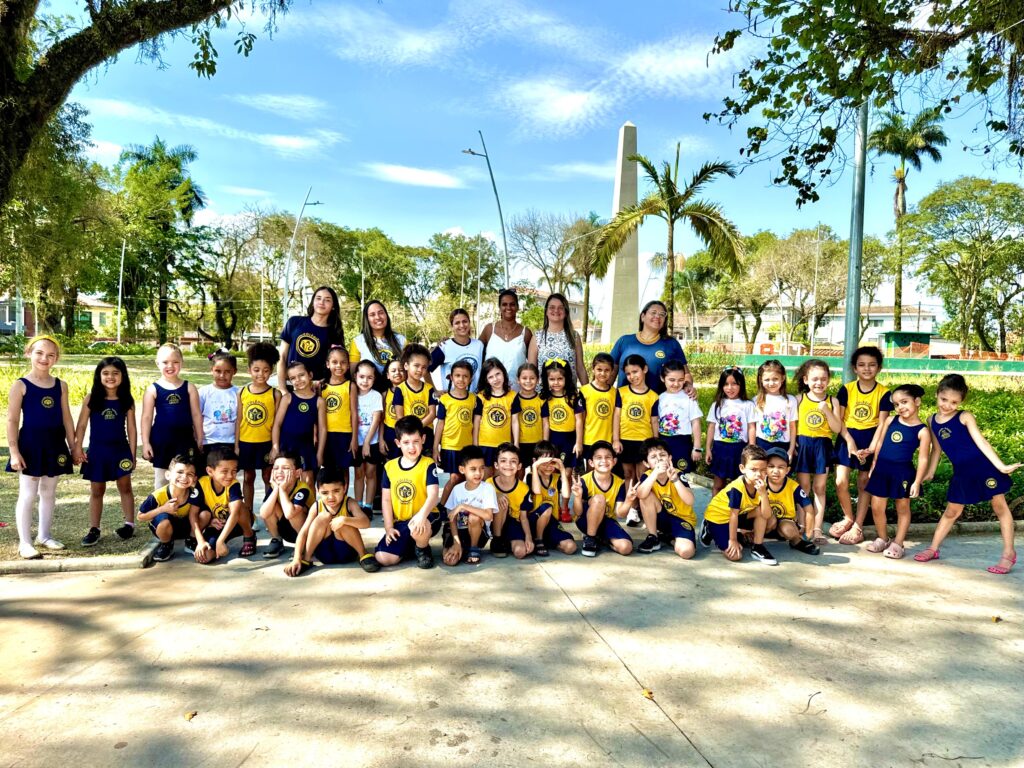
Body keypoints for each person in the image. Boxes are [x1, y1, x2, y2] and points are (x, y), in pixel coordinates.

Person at [916, 374, 1020, 574]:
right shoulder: (932, 420)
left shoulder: (965, 417)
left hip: (984, 468)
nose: (947, 405)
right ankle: (933, 548)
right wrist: (930, 472)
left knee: (1000, 507)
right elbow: (936, 449)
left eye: (954, 402)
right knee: (952, 511)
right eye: (944, 399)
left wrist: (1000, 466)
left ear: (961, 402)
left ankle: (1009, 553)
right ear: (937, 394)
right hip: (962, 473)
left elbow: (982, 442)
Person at [6, 335, 78, 558]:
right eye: (39, 353)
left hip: (54, 445)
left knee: (48, 492)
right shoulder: (20, 385)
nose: (44, 358)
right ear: (29, 353)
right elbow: (12, 420)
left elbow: (67, 418)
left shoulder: (60, 386)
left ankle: (44, 535)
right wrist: (14, 452)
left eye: (50, 355)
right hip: (30, 446)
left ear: (56, 358)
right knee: (28, 494)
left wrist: (74, 446)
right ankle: (25, 543)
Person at [830, 347, 891, 546]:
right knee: (841, 481)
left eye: (872, 365)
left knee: (864, 481)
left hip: (870, 438)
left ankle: (858, 526)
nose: (867, 368)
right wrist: (849, 440)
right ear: (855, 368)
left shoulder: (884, 393)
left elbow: (882, 424)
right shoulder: (846, 389)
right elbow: (839, 420)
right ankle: (848, 517)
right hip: (847, 436)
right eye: (862, 365)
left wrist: (871, 448)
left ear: (879, 368)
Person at [862, 384, 931, 560]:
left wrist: (917, 481)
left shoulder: (922, 431)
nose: (900, 407)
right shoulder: (890, 420)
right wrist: (874, 465)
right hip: (882, 470)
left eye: (904, 402)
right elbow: (879, 443)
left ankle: (898, 542)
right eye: (896, 404)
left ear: (917, 401)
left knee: (903, 508)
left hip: (903, 473)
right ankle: (883, 538)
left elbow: (923, 459)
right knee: (877, 507)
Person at [75, 356, 137, 547]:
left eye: (115, 373)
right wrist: (77, 447)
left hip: (120, 451)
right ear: (99, 376)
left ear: (123, 376)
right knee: (97, 490)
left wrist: (132, 454)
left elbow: (132, 429)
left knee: (125, 487)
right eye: (106, 373)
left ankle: (129, 524)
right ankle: (94, 529)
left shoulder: (127, 400)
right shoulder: (91, 398)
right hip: (97, 452)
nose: (111, 377)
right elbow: (82, 425)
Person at [793, 359, 852, 545]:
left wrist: (826, 409)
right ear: (805, 380)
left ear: (828, 380)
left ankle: (817, 529)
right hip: (803, 444)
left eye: (823, 379)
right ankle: (802, 526)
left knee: (819, 488)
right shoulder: (799, 399)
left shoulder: (832, 401)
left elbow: (836, 428)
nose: (819, 383)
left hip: (822, 447)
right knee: (803, 488)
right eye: (815, 379)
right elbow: (792, 425)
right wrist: (793, 444)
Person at [284, 465, 380, 576]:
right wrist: (296, 558)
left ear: (344, 488)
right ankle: (306, 559)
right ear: (318, 491)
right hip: (324, 554)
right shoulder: (316, 506)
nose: (331, 497)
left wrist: (345, 520)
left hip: (347, 552)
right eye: (325, 493)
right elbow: (303, 532)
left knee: (342, 522)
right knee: (323, 517)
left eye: (336, 491)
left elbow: (366, 523)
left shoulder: (350, 503)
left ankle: (363, 555)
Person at [374, 416, 442, 569]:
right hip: (402, 521)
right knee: (383, 558)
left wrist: (421, 515)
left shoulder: (428, 464)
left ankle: (422, 549)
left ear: (423, 439)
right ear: (398, 443)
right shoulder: (389, 467)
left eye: (416, 441)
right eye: (406, 442)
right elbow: (386, 500)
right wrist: (389, 527)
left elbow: (433, 496)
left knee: (419, 526)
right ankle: (410, 546)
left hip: (426, 517)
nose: (412, 447)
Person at [699, 444, 776, 565]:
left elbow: (766, 515)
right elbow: (733, 515)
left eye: (763, 470)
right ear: (742, 468)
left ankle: (758, 546)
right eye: (753, 470)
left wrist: (763, 495)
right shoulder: (737, 488)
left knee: (770, 520)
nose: (758, 474)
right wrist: (733, 540)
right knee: (735, 555)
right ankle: (709, 527)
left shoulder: (762, 485)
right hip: (718, 519)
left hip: (738, 515)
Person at [141, 343, 203, 489]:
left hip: (185, 440)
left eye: (175, 362)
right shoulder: (152, 389)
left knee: (186, 477)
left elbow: (196, 414)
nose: (170, 366)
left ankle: (185, 503)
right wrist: (146, 443)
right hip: (162, 442)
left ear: (181, 363)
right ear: (157, 363)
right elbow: (146, 417)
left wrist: (200, 438)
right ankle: (162, 504)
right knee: (162, 480)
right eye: (165, 362)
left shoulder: (189, 387)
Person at [613, 354, 660, 523]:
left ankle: (642, 508)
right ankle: (631, 507)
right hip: (625, 440)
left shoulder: (653, 396)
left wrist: (655, 444)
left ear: (644, 369)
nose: (632, 376)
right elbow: (616, 416)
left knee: (642, 475)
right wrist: (616, 439)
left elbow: (654, 421)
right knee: (628, 474)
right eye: (628, 373)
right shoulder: (621, 392)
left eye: (635, 371)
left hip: (644, 442)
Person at [236, 342, 280, 515]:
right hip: (246, 442)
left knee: (268, 477)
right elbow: (239, 420)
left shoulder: (275, 394)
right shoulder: (242, 392)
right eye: (256, 370)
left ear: (271, 371)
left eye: (265, 370)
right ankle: (248, 513)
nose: (261, 374)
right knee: (248, 477)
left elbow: (277, 424)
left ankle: (269, 513)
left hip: (266, 443)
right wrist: (237, 445)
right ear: (249, 370)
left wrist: (275, 447)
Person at [609, 300, 691, 394]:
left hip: (657, 401)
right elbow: (610, 372)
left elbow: (686, 374)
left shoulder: (671, 344)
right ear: (643, 316)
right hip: (624, 401)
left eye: (662, 314)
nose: (657, 316)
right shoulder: (624, 341)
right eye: (653, 312)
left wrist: (688, 385)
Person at [571, 441, 637, 557]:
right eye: (599, 458)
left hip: (606, 521)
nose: (604, 461)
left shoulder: (619, 483)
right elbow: (578, 512)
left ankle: (601, 538)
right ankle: (590, 538)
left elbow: (620, 514)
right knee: (599, 499)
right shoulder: (584, 480)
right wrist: (577, 496)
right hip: (585, 521)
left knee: (626, 547)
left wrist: (629, 500)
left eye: (608, 457)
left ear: (614, 461)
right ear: (591, 462)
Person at [136, 454, 205, 563]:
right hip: (166, 528)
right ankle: (166, 545)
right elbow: (140, 516)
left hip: (186, 528)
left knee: (205, 514)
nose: (184, 477)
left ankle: (191, 541)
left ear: (195, 479)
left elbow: (196, 515)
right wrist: (163, 509)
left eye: (190, 474)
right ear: (168, 475)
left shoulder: (195, 493)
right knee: (164, 521)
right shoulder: (158, 495)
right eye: (180, 472)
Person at [192, 447, 256, 563]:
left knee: (240, 506)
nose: (230, 476)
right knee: (205, 557)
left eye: (234, 471)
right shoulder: (202, 483)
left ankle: (249, 536)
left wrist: (220, 541)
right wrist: (201, 541)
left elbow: (235, 514)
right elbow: (193, 514)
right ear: (210, 471)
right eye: (224, 471)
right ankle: (196, 541)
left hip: (237, 524)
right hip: (217, 525)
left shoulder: (233, 485)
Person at [636, 438, 697, 559]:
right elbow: (641, 494)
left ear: (669, 458)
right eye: (653, 457)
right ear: (646, 463)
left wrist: (675, 480)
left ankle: (669, 539)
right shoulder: (648, 476)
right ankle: (653, 536)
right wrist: (655, 474)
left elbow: (690, 500)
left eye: (662, 455)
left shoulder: (678, 474)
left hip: (682, 519)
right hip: (662, 518)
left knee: (686, 552)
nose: (659, 459)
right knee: (646, 495)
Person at [278, 286, 345, 390]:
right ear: (313, 302)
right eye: (318, 298)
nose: (321, 302)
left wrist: (322, 383)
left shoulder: (335, 332)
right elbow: (281, 357)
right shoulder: (294, 322)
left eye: (327, 300)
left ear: (333, 306)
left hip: (316, 389)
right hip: (290, 386)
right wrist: (283, 389)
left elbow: (336, 364)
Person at [272, 361, 326, 486]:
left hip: (305, 447)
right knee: (285, 481)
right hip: (286, 445)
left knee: (308, 481)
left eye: (301, 375)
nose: (298, 380)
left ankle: (308, 500)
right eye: (293, 378)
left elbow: (322, 429)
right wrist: (275, 447)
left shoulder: (319, 401)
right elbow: (277, 424)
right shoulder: (288, 398)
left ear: (310, 375)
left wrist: (320, 453)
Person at [442, 446, 498, 566]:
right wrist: (456, 542)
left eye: (482, 468)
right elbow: (452, 518)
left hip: (479, 533)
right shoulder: (457, 489)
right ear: (462, 469)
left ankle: (473, 548)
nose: (478, 473)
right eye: (473, 469)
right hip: (458, 532)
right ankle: (459, 546)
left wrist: (463, 506)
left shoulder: (487, 488)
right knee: (449, 561)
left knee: (474, 517)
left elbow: (488, 516)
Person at [761, 447, 820, 556]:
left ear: (787, 470)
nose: (775, 471)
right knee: (770, 520)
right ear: (765, 468)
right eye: (771, 466)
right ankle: (754, 538)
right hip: (764, 522)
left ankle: (797, 542)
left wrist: (807, 534)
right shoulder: (760, 484)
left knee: (789, 530)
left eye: (781, 467)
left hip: (785, 522)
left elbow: (809, 510)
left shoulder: (793, 487)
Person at [434, 360, 477, 509]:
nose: (461, 379)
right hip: (450, 446)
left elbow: (475, 424)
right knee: (454, 477)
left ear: (470, 378)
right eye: (457, 375)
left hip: (467, 447)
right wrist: (435, 447)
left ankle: (459, 508)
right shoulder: (445, 399)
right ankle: (441, 506)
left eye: (465, 376)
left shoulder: (473, 399)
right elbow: (440, 424)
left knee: (465, 478)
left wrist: (475, 446)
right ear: (451, 377)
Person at [705, 366, 754, 494]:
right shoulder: (717, 404)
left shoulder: (748, 405)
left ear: (741, 384)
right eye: (726, 384)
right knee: (718, 484)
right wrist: (708, 449)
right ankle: (714, 506)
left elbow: (751, 427)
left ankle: (736, 507)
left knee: (738, 485)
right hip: (720, 449)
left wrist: (751, 449)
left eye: (734, 384)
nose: (730, 388)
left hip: (739, 449)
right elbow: (711, 427)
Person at [259, 451, 312, 559]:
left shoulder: (303, 489)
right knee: (270, 506)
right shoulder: (274, 487)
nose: (279, 471)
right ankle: (276, 539)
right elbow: (263, 514)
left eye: (285, 468)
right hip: (285, 529)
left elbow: (289, 514)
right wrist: (276, 490)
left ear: (297, 473)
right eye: (276, 468)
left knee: (295, 511)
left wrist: (282, 491)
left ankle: (303, 544)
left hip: (305, 532)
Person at [473, 358, 521, 476]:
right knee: (486, 478)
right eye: (490, 377)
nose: (495, 379)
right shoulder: (481, 397)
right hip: (485, 444)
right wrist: (475, 444)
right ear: (486, 379)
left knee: (500, 477)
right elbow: (477, 421)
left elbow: (515, 421)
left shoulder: (513, 396)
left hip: (504, 446)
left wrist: (516, 442)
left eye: (498, 374)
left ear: (503, 373)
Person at [527, 442, 576, 556]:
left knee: (571, 547)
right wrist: (534, 466)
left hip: (551, 521)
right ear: (535, 461)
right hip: (534, 520)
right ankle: (538, 539)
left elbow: (566, 494)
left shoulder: (556, 478)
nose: (548, 466)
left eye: (551, 463)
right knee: (547, 507)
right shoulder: (531, 476)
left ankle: (547, 541)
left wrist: (562, 470)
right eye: (544, 463)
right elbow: (537, 490)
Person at [528, 293, 588, 384]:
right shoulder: (537, 337)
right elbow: (531, 371)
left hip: (568, 391)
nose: (556, 310)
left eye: (561, 308)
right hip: (543, 391)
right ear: (546, 311)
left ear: (566, 312)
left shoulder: (574, 336)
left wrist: (587, 390)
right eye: (552, 307)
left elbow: (580, 368)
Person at [489, 442, 536, 559]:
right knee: (501, 500)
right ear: (496, 465)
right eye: (503, 461)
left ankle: (507, 541)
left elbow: (523, 517)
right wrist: (496, 494)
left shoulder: (524, 488)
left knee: (521, 552)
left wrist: (528, 537)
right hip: (493, 522)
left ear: (519, 466)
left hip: (514, 523)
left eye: (513, 461)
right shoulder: (488, 484)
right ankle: (497, 540)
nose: (508, 465)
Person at [480, 289, 532, 391]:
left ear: (517, 307)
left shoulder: (526, 333)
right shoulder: (489, 329)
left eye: (512, 304)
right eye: (504, 304)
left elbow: (532, 363)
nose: (508, 307)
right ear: (499, 307)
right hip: (491, 392)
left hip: (517, 391)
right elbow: (474, 351)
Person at [657, 359, 703, 474]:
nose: (676, 384)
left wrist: (697, 447)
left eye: (681, 380)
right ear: (662, 378)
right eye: (672, 380)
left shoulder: (689, 397)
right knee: (663, 473)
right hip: (663, 442)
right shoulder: (659, 398)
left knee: (682, 475)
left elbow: (696, 422)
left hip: (682, 443)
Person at [749, 359, 798, 460]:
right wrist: (753, 448)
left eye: (775, 379)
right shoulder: (756, 400)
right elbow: (752, 427)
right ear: (761, 380)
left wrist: (791, 448)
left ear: (783, 378)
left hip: (783, 445)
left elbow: (792, 426)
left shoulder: (790, 400)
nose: (771, 383)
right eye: (767, 380)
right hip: (762, 444)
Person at [353, 360, 384, 516]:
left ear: (374, 379)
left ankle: (368, 506)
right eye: (362, 377)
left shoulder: (375, 396)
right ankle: (358, 506)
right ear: (355, 376)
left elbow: (376, 420)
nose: (365, 381)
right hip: (355, 442)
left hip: (372, 441)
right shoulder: (351, 394)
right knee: (359, 474)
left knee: (371, 473)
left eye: (369, 377)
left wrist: (366, 443)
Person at [541, 358, 583, 470]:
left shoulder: (573, 397)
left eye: (560, 379)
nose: (556, 382)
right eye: (552, 379)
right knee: (553, 470)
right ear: (546, 380)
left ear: (566, 378)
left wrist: (579, 442)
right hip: (553, 439)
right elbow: (546, 424)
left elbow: (579, 420)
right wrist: (546, 444)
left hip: (570, 439)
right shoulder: (545, 398)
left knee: (567, 471)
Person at [348, 300, 407, 380]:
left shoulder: (401, 340)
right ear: (367, 319)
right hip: (369, 387)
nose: (378, 317)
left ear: (386, 315)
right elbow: (353, 375)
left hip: (396, 387)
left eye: (381, 313)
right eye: (372, 315)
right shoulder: (358, 342)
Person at [321, 345, 357, 476]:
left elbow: (354, 413)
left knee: (343, 470)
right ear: (328, 364)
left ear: (348, 365)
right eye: (334, 362)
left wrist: (354, 438)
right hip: (326, 434)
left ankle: (343, 491)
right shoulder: (322, 386)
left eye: (343, 362)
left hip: (345, 434)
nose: (339, 366)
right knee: (328, 470)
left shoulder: (350, 386)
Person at [392, 343, 436, 447]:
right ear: (406, 366)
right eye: (416, 365)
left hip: (426, 434)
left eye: (424, 367)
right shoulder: (400, 389)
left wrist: (418, 427)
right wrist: (411, 431)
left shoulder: (429, 388)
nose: (420, 370)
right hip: (407, 436)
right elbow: (400, 417)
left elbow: (432, 414)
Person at [431, 308, 485, 392]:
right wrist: (434, 390)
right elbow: (426, 368)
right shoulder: (445, 346)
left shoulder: (479, 345)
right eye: (457, 323)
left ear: (469, 323)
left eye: (465, 321)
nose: (462, 325)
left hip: (474, 397)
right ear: (452, 326)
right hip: (452, 398)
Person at [198, 348, 239, 456]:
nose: (222, 375)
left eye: (227, 372)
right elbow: (196, 417)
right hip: (208, 443)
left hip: (231, 442)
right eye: (218, 371)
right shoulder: (203, 392)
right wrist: (198, 439)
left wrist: (237, 445)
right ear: (212, 370)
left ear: (234, 371)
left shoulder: (239, 393)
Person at [579, 353, 617, 465]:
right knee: (590, 470)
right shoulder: (584, 391)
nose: (603, 373)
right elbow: (581, 419)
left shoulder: (615, 393)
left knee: (606, 468)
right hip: (589, 439)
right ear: (593, 369)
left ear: (612, 371)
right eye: (599, 369)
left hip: (608, 440)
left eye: (607, 370)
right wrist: (579, 442)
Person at [516, 363, 543, 470]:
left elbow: (546, 423)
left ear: (538, 380)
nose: (528, 381)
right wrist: (515, 442)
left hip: (537, 443)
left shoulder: (541, 400)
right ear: (518, 380)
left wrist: (544, 443)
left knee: (537, 470)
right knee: (519, 470)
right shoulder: (515, 399)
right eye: (524, 378)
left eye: (532, 378)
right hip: (521, 443)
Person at [380, 359, 405, 457]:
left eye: (401, 370)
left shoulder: (409, 392)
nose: (397, 373)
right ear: (388, 375)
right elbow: (381, 419)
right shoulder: (385, 394)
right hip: (390, 432)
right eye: (393, 371)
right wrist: (381, 439)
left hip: (405, 432)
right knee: (391, 461)